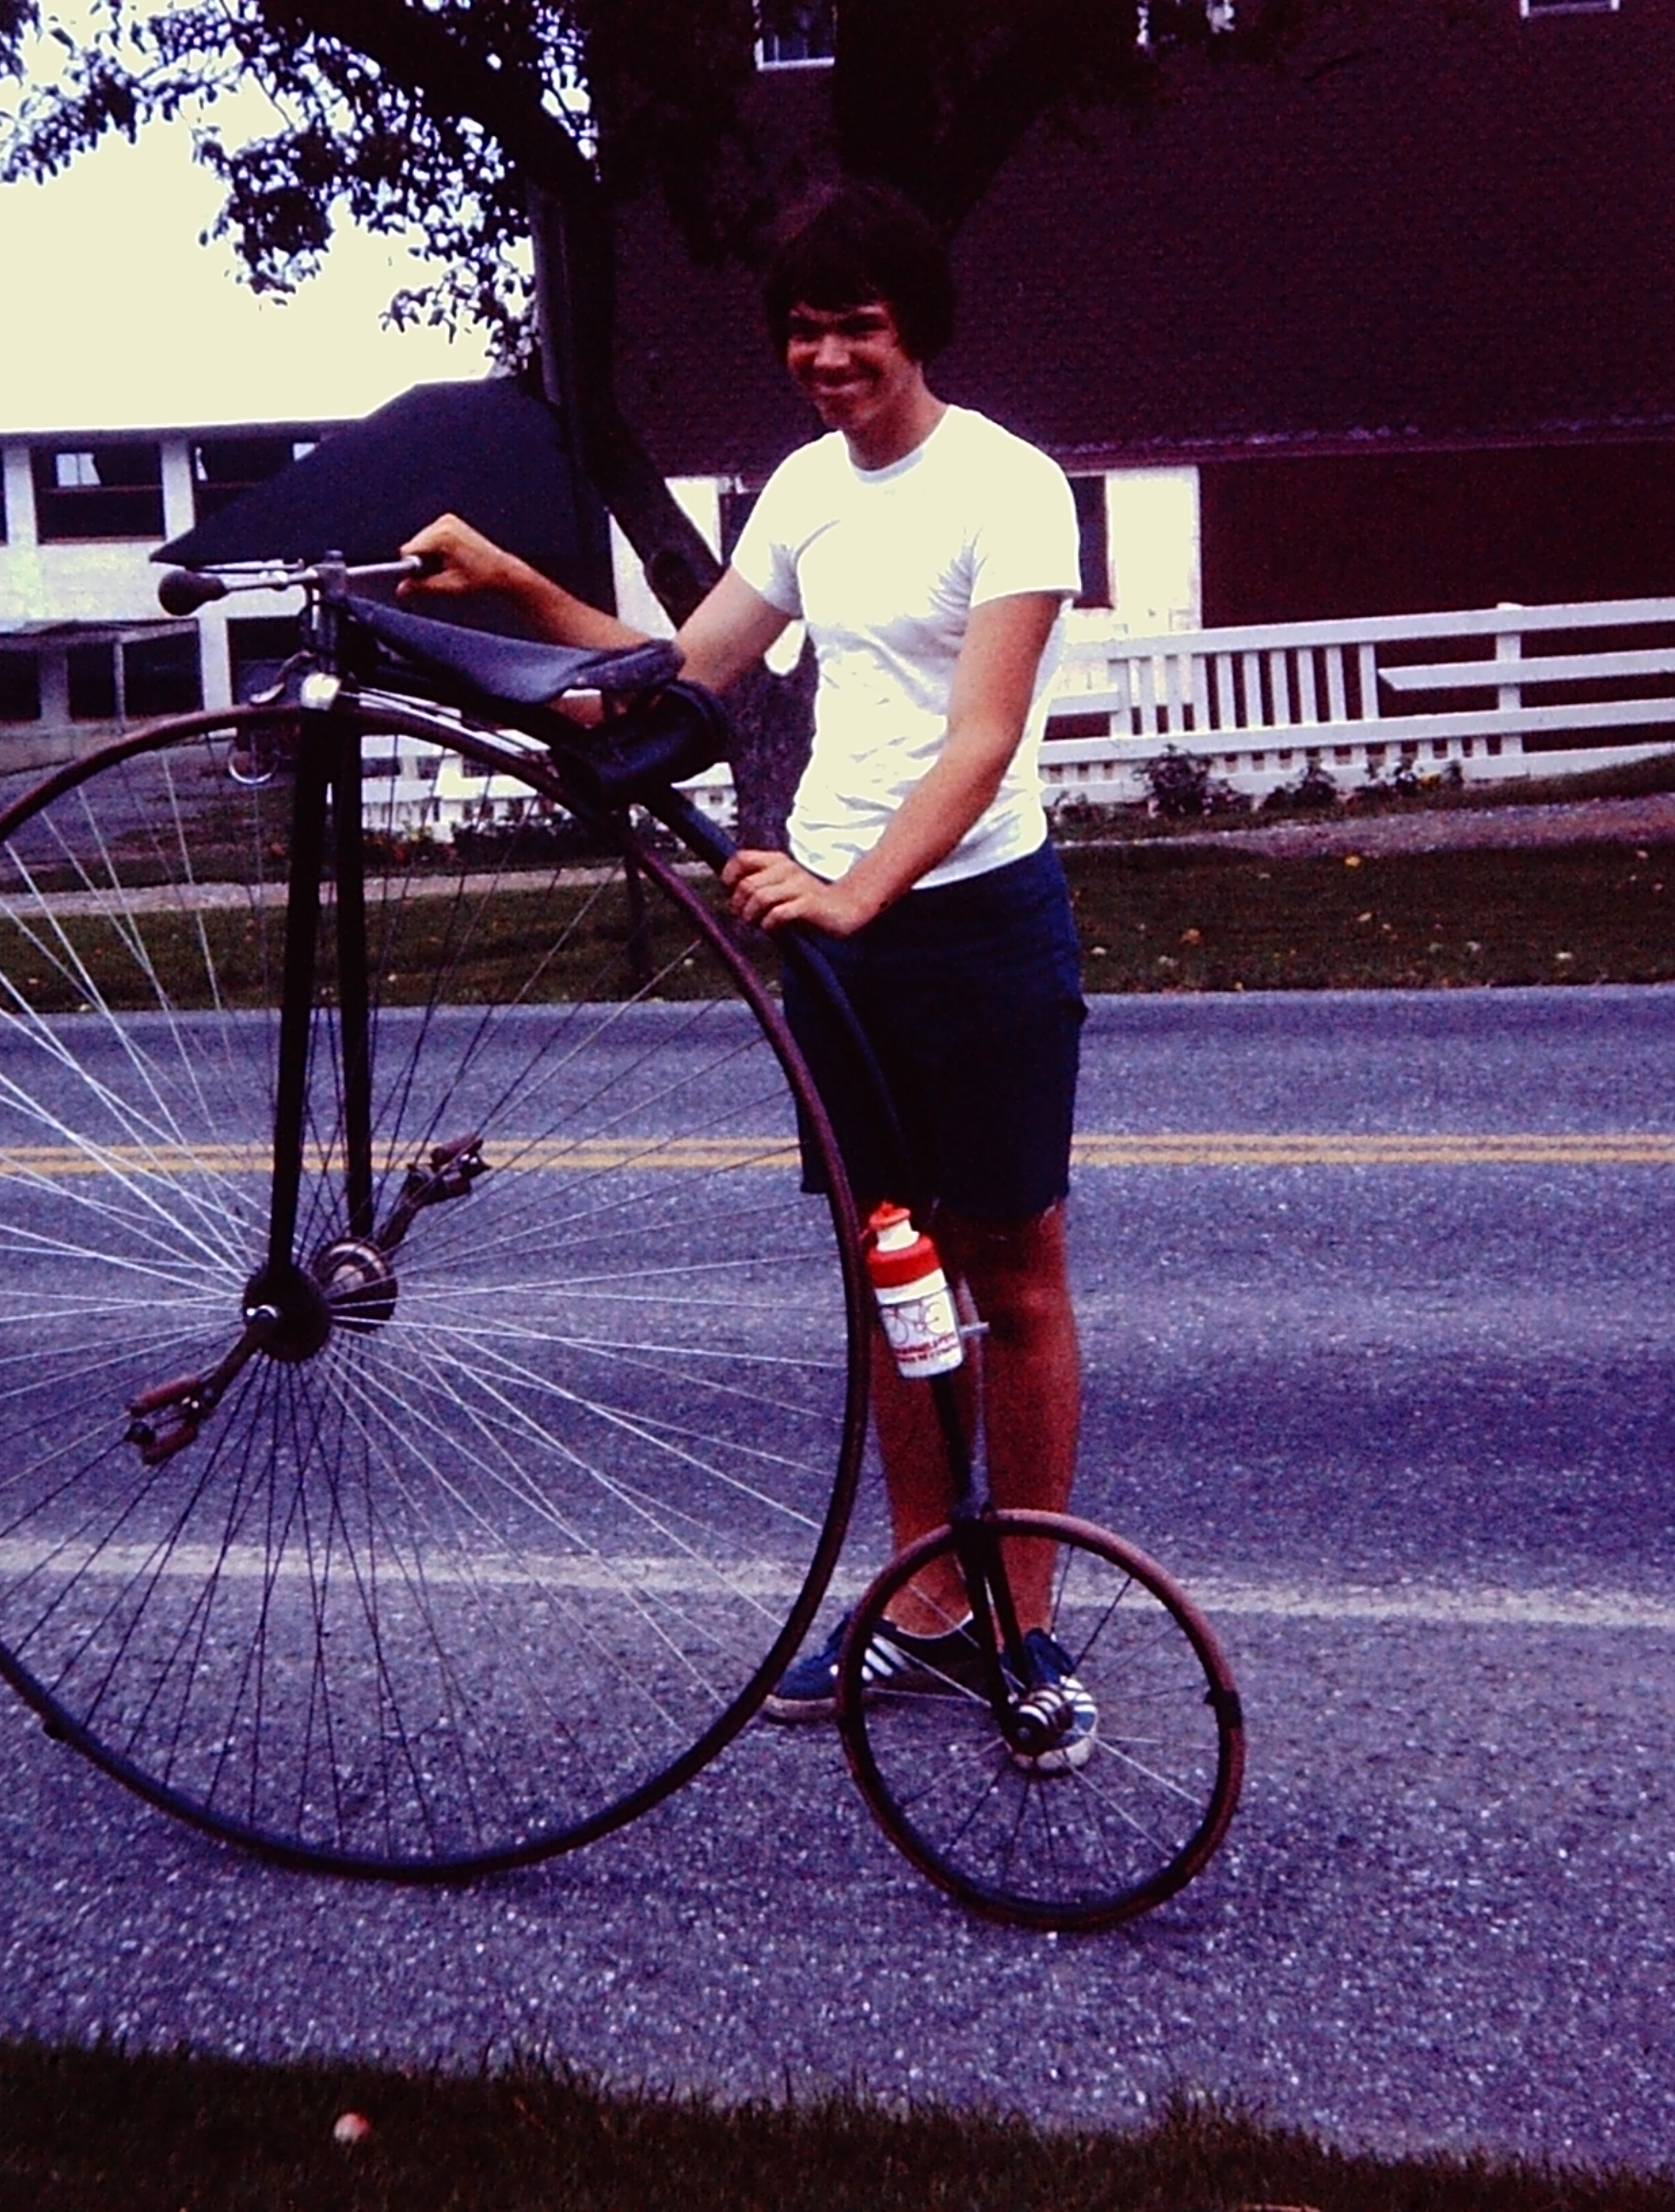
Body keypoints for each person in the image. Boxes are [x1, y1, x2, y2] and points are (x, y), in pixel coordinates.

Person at [397, 182, 1092, 1748]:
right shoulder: (803, 491)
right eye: (802, 328)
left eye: (856, 324)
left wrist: (855, 896)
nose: (828, 355)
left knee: (1017, 1280)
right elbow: (675, 682)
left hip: (971, 918)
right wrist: (510, 587)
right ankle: (925, 1603)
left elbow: (982, 742)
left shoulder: (1010, 487)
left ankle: (1026, 1629)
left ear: (914, 327)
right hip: (834, 923)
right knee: (891, 1266)